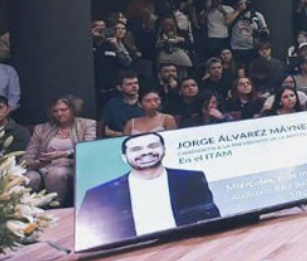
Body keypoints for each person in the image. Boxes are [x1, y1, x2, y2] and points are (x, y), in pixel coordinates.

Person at [76, 132, 219, 248]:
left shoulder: (191, 179)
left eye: (153, 146)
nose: (146, 152)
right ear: (124, 158)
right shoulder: (98, 194)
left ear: (164, 150)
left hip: (186, 246)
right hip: (129, 255)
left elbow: (211, 220)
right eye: (136, 149)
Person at [24, 95, 98, 207]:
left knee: (56, 174)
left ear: (73, 109)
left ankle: (56, 208)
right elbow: (27, 157)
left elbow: (87, 150)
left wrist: (65, 154)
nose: (59, 114)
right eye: (55, 111)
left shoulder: (87, 125)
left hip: (72, 167)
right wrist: (38, 163)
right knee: (30, 177)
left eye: (63, 110)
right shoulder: (41, 128)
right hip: (43, 167)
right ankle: (30, 212)